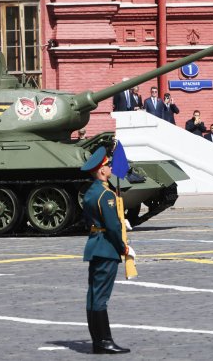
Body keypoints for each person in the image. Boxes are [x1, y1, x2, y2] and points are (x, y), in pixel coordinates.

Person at [81, 146, 133, 355]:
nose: (111, 167)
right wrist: (124, 247)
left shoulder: (92, 192)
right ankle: (104, 341)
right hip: (106, 248)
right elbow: (111, 226)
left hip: (95, 245)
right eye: (108, 165)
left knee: (93, 296)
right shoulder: (105, 194)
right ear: (102, 171)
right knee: (101, 296)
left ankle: (98, 341)